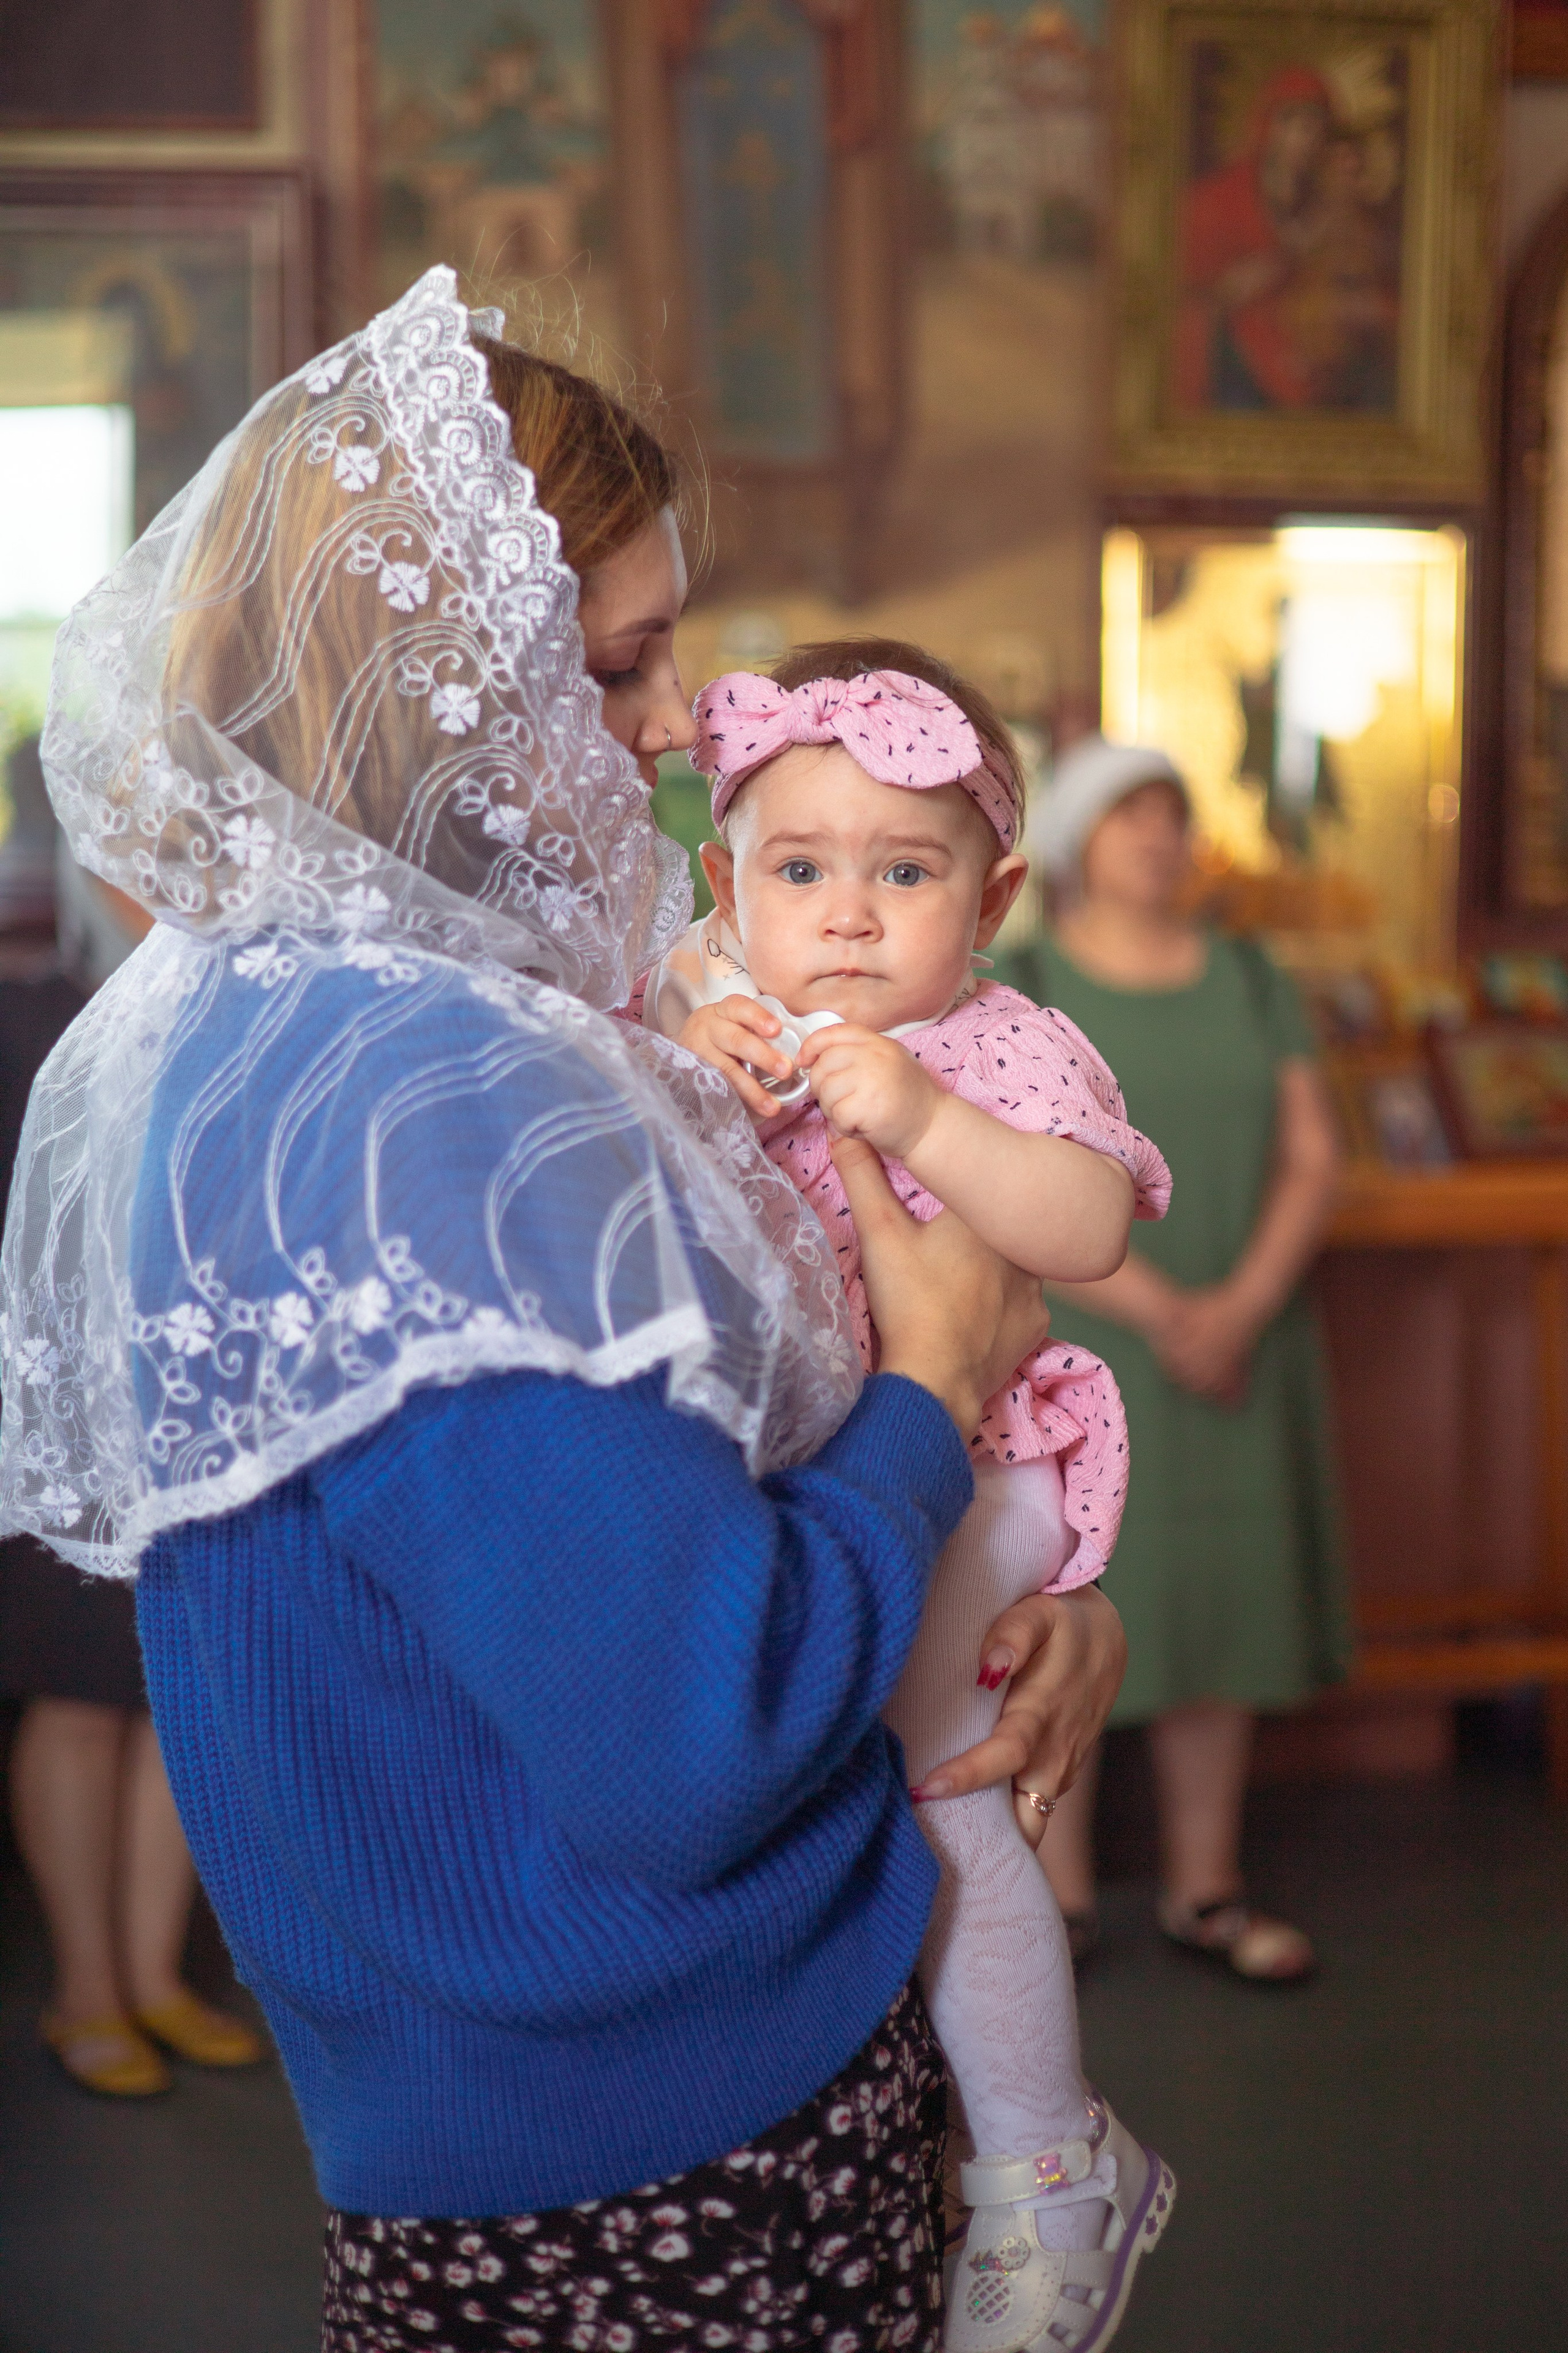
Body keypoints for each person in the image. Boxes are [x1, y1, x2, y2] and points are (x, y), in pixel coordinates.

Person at [0, 270, 1128, 2349]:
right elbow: (696, 1735)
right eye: (620, 660)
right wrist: (944, 1392)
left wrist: (1010, 1595)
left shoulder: (304, 1013)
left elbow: (656, 1530)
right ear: (440, 678)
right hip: (664, 2129)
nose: (683, 720)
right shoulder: (430, 1100)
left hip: (528, 2102)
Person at [640, 640, 1178, 2353]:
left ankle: (1050, 2160)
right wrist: (680, 1007)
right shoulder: (724, 987)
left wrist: (930, 1118)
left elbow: (1088, 1231)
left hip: (979, 1473)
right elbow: (650, 990)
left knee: (944, 1788)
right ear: (735, 882)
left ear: (993, 898)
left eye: (905, 873)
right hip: (831, 1474)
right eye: (803, 871)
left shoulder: (997, 1045)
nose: (852, 918)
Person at [1001, 736, 1348, 1982]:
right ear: (1070, 843)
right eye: (1130, 816)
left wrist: (1240, 1303)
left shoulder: (1251, 975)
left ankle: (1206, 1889)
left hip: (1239, 1342)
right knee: (1075, 1605)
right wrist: (1160, 1312)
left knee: (1222, 1607)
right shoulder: (1025, 975)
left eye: (1174, 816)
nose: (1161, 837)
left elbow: (1312, 1155)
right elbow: (999, 1171)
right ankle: (1060, 1896)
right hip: (1079, 1351)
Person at [0, 740, 261, 2098]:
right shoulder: (30, 1011)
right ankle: (85, 1987)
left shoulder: (244, 1011)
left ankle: (156, 1975)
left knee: (175, 1697)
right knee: (78, 1699)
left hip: (204, 1407)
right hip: (62, 1406)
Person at [1175, 64, 1336, 412]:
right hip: (1234, 353)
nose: (1312, 142)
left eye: (1320, 130)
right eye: (1302, 127)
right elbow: (1192, 288)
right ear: (1274, 127)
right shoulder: (1218, 198)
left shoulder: (1324, 201)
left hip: (1300, 349)